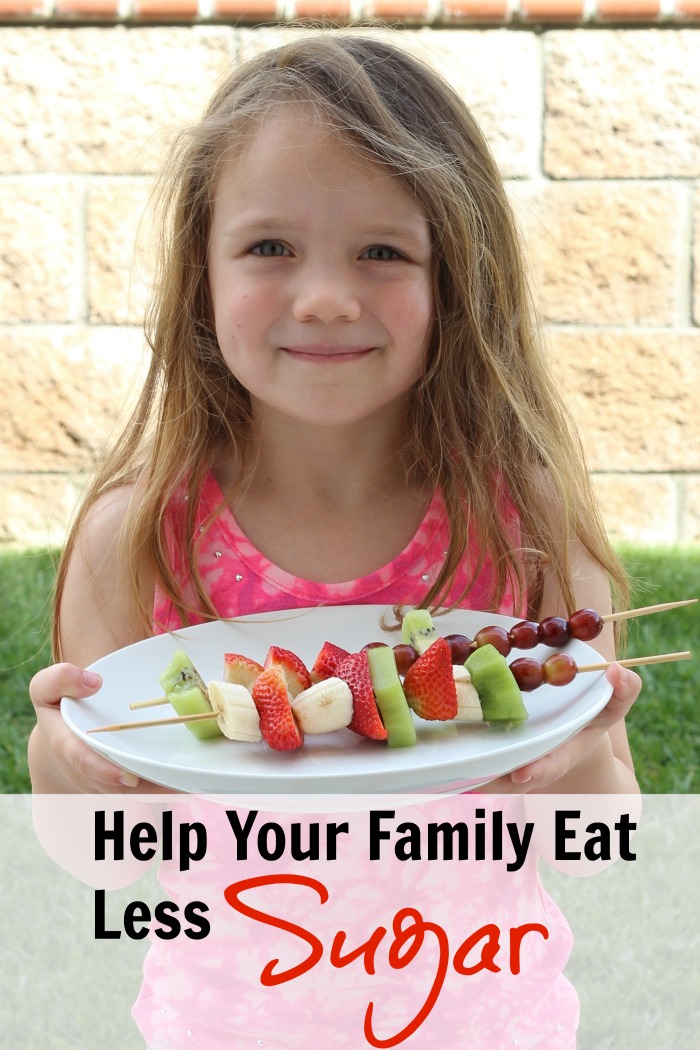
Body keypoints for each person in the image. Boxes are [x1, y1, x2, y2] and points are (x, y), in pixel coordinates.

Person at [26, 31, 644, 1048]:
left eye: (382, 252)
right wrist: (66, 768)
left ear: (457, 277)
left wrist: (574, 767)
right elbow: (103, 858)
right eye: (270, 247)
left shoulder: (523, 519)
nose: (323, 297)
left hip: (485, 1023)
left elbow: (598, 843)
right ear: (200, 273)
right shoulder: (134, 539)